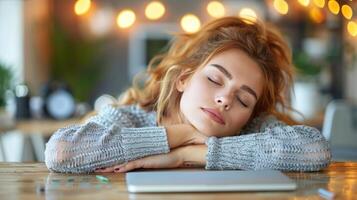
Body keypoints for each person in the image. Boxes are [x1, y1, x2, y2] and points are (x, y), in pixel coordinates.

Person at [45, 17, 331, 173]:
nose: (225, 100)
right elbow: (62, 151)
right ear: (183, 79)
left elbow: (314, 150)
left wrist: (188, 155)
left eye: (244, 100)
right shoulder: (132, 117)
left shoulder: (250, 128)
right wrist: (183, 135)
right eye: (215, 79)